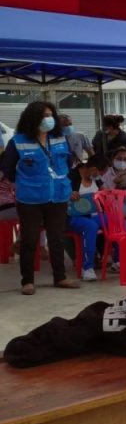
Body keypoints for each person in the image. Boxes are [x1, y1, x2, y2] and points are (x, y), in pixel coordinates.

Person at [0, 100, 80, 295]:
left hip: (58, 197)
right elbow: (8, 169)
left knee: (57, 238)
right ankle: (27, 281)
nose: (49, 119)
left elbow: (69, 162)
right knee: (29, 239)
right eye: (45, 116)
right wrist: (26, 181)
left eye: (51, 115)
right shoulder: (18, 141)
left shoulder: (60, 138)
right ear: (33, 118)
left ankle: (60, 277)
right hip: (30, 199)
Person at [66, 155, 108, 281]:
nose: (101, 176)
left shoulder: (96, 179)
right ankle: (87, 267)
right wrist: (69, 195)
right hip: (73, 216)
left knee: (115, 220)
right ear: (94, 169)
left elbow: (104, 194)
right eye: (101, 173)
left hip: (93, 215)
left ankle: (117, 260)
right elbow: (59, 194)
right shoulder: (71, 176)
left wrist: (105, 193)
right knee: (90, 226)